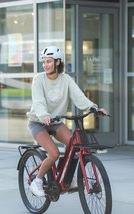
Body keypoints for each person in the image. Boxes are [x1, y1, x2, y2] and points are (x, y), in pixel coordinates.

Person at [27, 46, 108, 197]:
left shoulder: (66, 80)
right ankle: (37, 181)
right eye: (44, 62)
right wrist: (44, 115)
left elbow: (79, 97)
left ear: (58, 62)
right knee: (54, 153)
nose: (45, 65)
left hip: (56, 122)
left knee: (75, 144)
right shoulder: (39, 79)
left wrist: (94, 108)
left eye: (49, 61)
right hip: (38, 122)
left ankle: (67, 178)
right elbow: (38, 102)